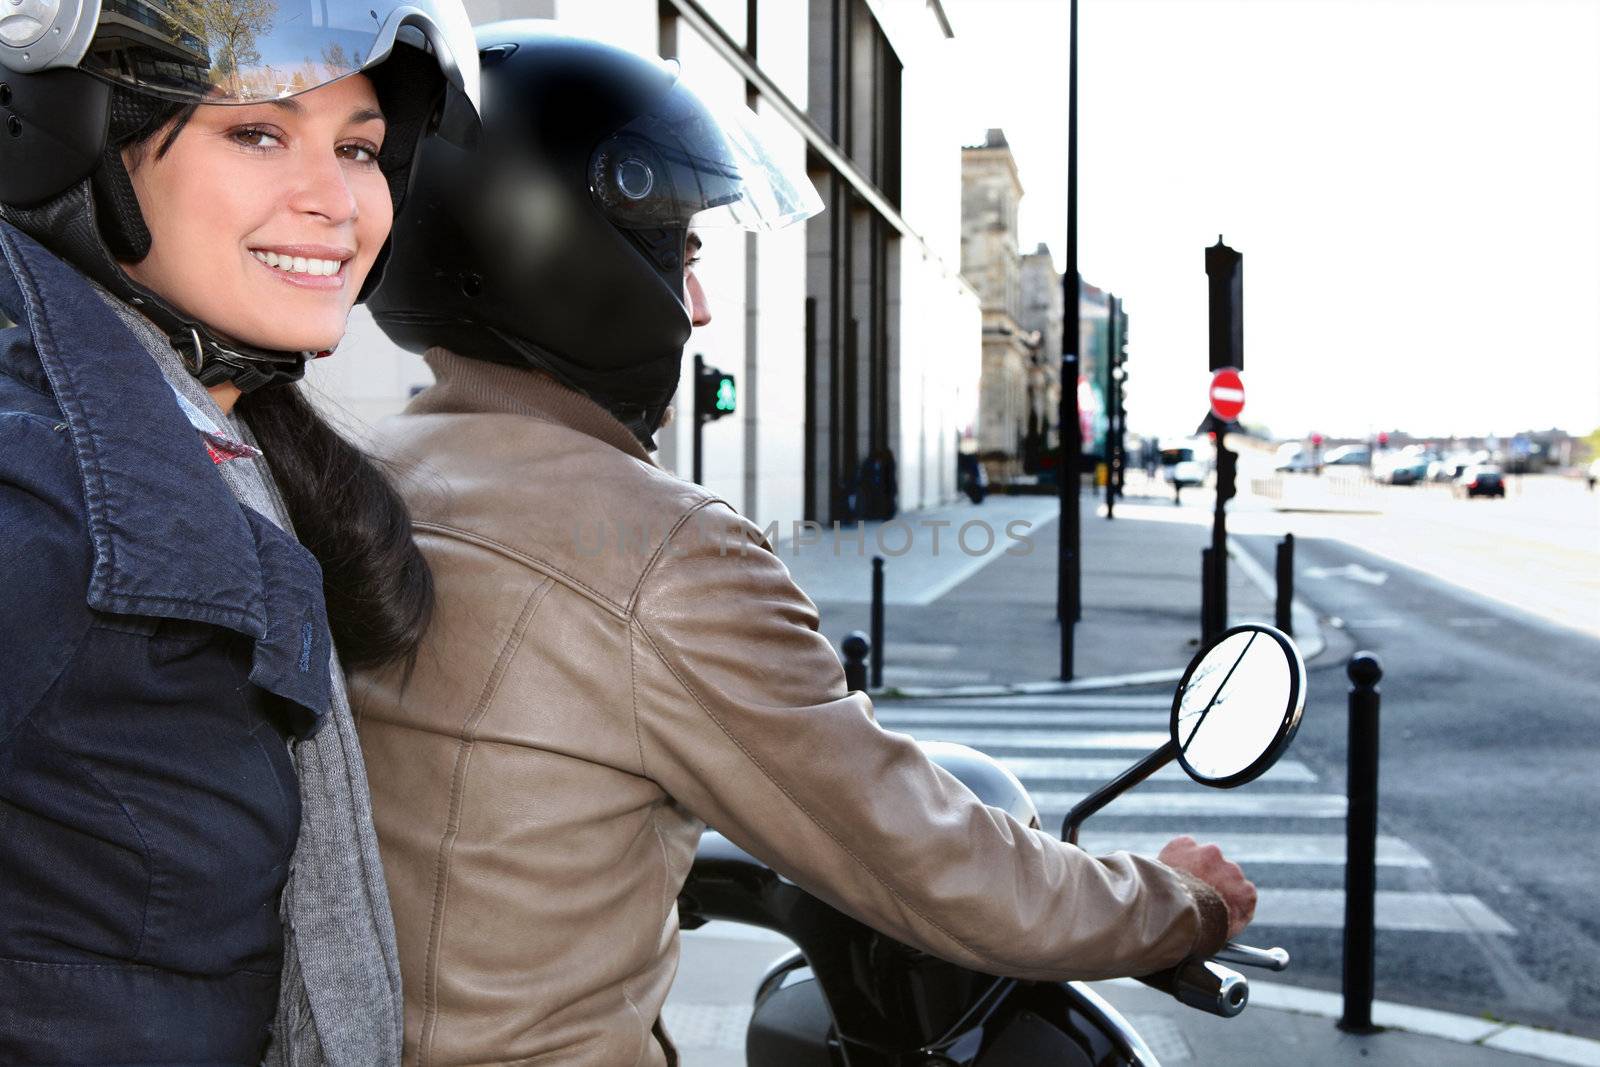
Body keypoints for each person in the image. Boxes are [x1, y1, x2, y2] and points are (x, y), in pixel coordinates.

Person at [351, 26, 1255, 1066]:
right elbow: (925, 855)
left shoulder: (363, 475)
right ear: (561, 248)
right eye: (681, 255)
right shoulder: (665, 555)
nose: (695, 306)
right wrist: (1176, 900)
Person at [0, 2, 478, 1061]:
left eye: (358, 148)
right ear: (76, 139)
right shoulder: (38, 493)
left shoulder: (231, 448)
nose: (335, 202)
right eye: (258, 131)